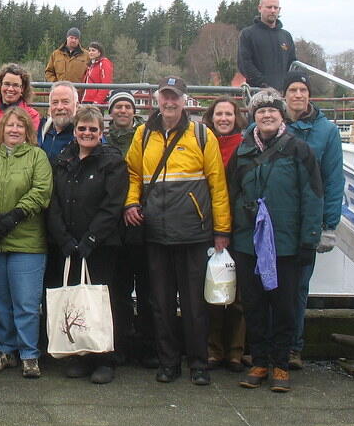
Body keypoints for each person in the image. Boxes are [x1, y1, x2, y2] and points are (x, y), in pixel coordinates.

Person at [123, 76, 231, 386]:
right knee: (161, 303)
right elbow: (132, 173)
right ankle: (168, 362)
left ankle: (199, 363)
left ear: (185, 100)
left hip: (194, 234)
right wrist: (131, 204)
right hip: (155, 233)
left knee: (196, 304)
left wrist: (221, 229)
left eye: (175, 97)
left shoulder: (201, 134)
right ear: (156, 99)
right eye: (165, 96)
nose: (170, 102)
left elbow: (217, 185)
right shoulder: (143, 135)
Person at [229, 89, 323, 393]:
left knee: (284, 306)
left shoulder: (299, 150)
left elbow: (313, 196)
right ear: (253, 117)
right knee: (254, 305)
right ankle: (258, 361)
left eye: (272, 111)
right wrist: (227, 233)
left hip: (286, 243)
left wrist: (309, 239)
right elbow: (230, 195)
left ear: (281, 115)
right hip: (248, 241)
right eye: (260, 111)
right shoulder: (242, 151)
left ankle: (281, 364)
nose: (266, 115)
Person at [0, 107, 53, 379]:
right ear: (1, 128)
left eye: (20, 126)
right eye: (10, 125)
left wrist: (16, 215)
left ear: (28, 131)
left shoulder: (37, 157)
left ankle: (29, 354)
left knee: (26, 302)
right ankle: (5, 349)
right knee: (0, 302)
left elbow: (41, 190)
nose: (14, 130)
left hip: (26, 241)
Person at [46, 106, 127, 384]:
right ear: (75, 130)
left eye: (93, 129)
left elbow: (113, 204)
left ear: (101, 132)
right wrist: (64, 239)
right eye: (82, 128)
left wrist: (91, 238)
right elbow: (53, 201)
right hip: (68, 245)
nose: (87, 133)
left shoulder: (112, 161)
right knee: (74, 301)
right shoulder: (63, 158)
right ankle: (78, 354)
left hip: (101, 245)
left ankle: (104, 358)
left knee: (102, 302)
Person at [283, 71, 343, 370]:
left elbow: (334, 180)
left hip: (307, 223)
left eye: (302, 90)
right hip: (275, 222)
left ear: (309, 95)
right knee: (266, 286)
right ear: (285, 95)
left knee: (298, 288)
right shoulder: (269, 125)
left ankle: (294, 348)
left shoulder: (327, 132)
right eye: (292, 89)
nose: (298, 95)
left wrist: (329, 226)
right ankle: (265, 348)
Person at [104, 91, 157, 368]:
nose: (123, 111)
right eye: (118, 106)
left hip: (141, 221)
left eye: (127, 106)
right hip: (114, 225)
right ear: (111, 112)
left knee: (148, 289)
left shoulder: (146, 137)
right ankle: (121, 343)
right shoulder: (103, 140)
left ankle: (148, 346)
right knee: (118, 290)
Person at [202, 97, 249, 373]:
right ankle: (212, 349)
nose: (223, 118)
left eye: (228, 114)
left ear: (236, 117)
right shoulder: (204, 141)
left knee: (238, 294)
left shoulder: (245, 145)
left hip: (239, 226)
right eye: (218, 113)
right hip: (208, 225)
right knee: (212, 289)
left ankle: (235, 351)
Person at [237, 0, 297, 91]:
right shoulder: (247, 34)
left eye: (275, 7)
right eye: (269, 7)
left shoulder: (286, 36)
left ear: (279, 10)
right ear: (260, 8)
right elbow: (245, 64)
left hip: (283, 94)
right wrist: (264, 85)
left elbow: (292, 64)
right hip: (257, 93)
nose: (273, 10)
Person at [38, 81, 78, 161]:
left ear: (76, 105)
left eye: (65, 102)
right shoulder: (41, 130)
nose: (59, 107)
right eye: (55, 102)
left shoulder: (84, 134)